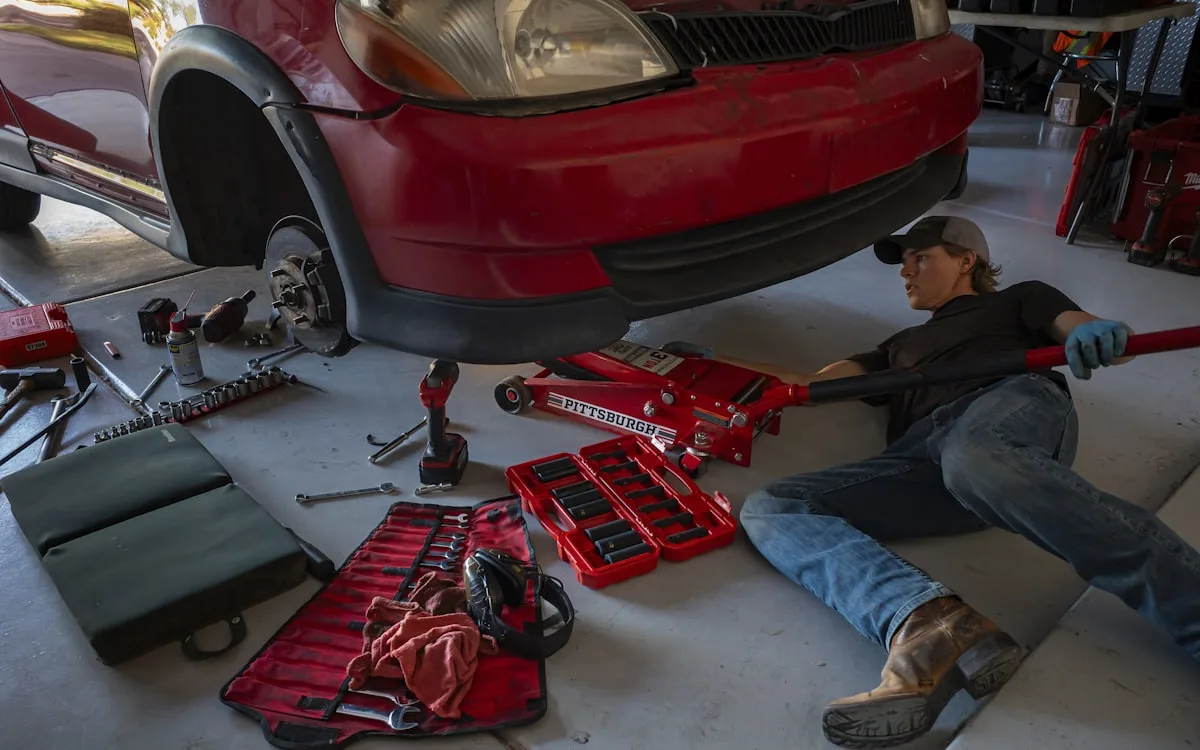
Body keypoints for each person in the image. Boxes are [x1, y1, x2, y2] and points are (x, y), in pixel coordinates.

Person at [671, 215, 1200, 749]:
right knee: (773, 507)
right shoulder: (897, 347)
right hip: (926, 457)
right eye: (903, 263)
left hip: (1006, 406)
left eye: (919, 257)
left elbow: (1087, 329)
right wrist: (708, 362)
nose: (906, 272)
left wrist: (1101, 334)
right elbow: (808, 385)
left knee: (975, 459)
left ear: (966, 260)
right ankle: (932, 628)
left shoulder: (1017, 299)